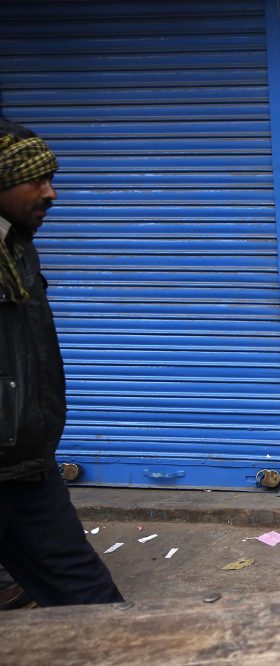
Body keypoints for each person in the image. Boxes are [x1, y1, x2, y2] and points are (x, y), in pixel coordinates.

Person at [0, 119, 123, 607]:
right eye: (37, 180)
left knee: (93, 605)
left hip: (26, 467)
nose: (51, 194)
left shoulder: (17, 248)